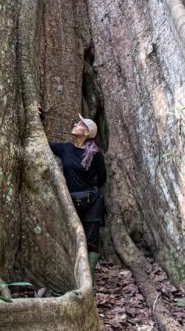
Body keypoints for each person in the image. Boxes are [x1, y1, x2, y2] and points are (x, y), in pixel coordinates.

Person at [49, 114, 106, 286]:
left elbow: (102, 179)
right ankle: (75, 277)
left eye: (80, 124)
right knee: (72, 237)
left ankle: (88, 281)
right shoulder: (65, 148)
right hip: (71, 202)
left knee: (91, 240)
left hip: (92, 203)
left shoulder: (95, 155)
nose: (75, 124)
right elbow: (42, 143)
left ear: (87, 133)